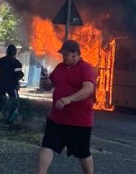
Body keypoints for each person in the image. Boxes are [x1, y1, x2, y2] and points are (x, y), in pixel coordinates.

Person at [38, 40, 97, 174]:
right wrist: (46, 83)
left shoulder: (86, 68)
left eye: (66, 55)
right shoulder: (60, 67)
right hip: (57, 118)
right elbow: (50, 84)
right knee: (47, 145)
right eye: (62, 55)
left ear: (75, 54)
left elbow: (88, 89)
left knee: (83, 153)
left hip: (79, 121)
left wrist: (69, 99)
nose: (63, 57)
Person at [0, 44, 24, 124]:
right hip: (11, 86)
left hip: (1, 84)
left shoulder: (1, 60)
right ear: (14, 52)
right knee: (16, 103)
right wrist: (21, 76)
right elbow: (19, 74)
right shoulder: (16, 63)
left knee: (2, 100)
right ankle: (9, 120)